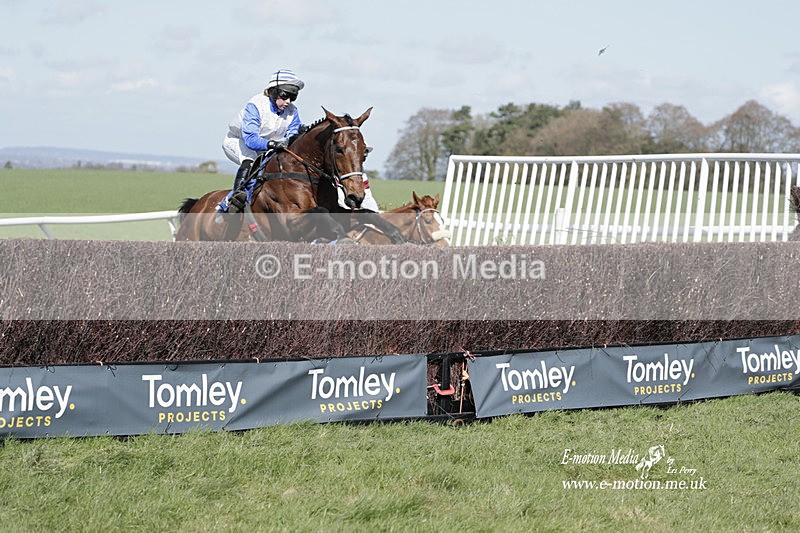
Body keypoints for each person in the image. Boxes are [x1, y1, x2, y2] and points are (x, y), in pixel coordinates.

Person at [220, 68, 304, 212]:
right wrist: (273, 144)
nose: (288, 102)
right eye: (285, 96)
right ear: (274, 91)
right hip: (239, 142)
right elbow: (251, 140)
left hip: (268, 148)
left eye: (292, 97)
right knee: (251, 160)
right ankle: (232, 200)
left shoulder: (292, 112)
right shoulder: (256, 105)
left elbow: (292, 136)